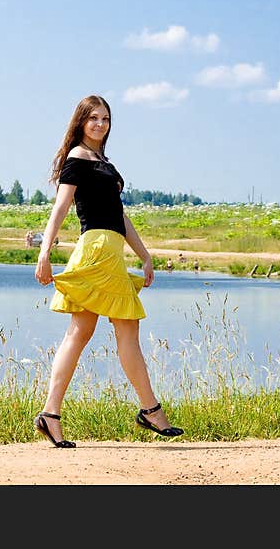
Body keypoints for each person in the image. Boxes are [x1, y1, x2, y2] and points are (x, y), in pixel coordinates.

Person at [34, 95, 183, 448]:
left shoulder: (103, 162)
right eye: (93, 118)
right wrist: (45, 252)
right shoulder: (78, 159)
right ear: (81, 122)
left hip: (110, 250)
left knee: (82, 332)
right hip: (97, 251)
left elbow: (119, 216)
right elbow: (61, 207)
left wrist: (145, 255)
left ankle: (51, 414)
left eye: (105, 118)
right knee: (120, 329)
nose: (100, 124)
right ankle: (150, 410)